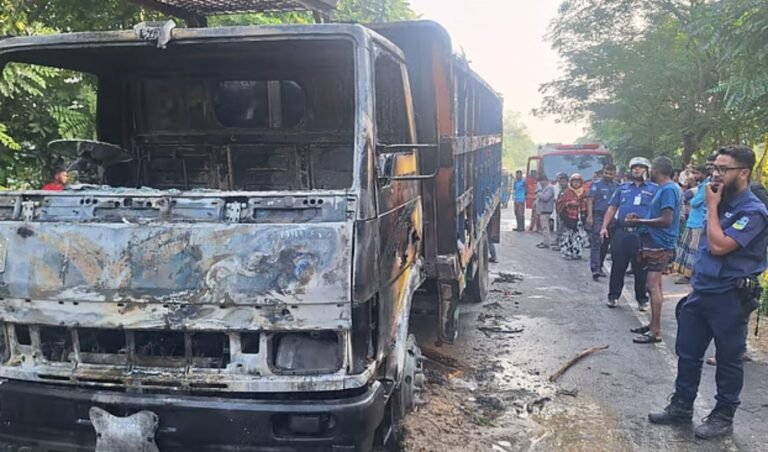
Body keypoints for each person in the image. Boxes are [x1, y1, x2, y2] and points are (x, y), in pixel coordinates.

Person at [648, 145, 768, 440]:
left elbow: (719, 246)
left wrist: (712, 207)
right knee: (687, 353)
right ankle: (681, 405)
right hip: (702, 292)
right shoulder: (720, 200)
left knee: (728, 359)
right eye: (715, 168)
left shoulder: (753, 211)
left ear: (743, 173)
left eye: (723, 169)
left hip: (730, 296)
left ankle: (723, 415)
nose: (716, 174)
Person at [625, 156, 682, 344]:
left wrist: (639, 221)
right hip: (655, 241)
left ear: (656, 170)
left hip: (660, 243)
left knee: (652, 286)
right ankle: (652, 325)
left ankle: (656, 330)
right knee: (655, 286)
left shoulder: (668, 190)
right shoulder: (666, 189)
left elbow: (666, 220)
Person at [600, 157, 656, 309]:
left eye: (640, 167)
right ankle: (613, 296)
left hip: (642, 234)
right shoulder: (623, 188)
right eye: (634, 167)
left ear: (647, 170)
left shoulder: (654, 189)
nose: (637, 170)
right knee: (618, 266)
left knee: (641, 268)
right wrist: (604, 226)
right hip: (622, 232)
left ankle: (642, 299)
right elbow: (612, 208)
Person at [672, 164, 707, 284]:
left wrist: (691, 197)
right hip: (693, 221)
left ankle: (690, 275)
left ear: (702, 173)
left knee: (693, 250)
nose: (692, 176)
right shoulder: (701, 186)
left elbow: (696, 202)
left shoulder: (706, 185)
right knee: (688, 248)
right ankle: (686, 274)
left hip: (699, 222)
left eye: (695, 173)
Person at [587, 164, 618, 280]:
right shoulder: (597, 185)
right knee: (596, 241)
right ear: (603, 172)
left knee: (606, 243)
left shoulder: (617, 187)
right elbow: (590, 200)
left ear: (615, 174)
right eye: (606, 172)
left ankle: (599, 266)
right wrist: (590, 215)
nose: (608, 175)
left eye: (611, 173)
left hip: (612, 217)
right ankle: (595, 268)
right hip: (598, 215)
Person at [557, 174, 588, 260]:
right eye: (574, 182)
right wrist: (569, 203)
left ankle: (577, 253)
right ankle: (568, 252)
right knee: (568, 236)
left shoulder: (584, 192)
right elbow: (560, 204)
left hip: (580, 218)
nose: (576, 184)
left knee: (579, 236)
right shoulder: (567, 192)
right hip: (569, 218)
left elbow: (587, 204)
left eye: (578, 182)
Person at [535, 175, 555, 249]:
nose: (540, 183)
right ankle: (545, 241)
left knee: (545, 227)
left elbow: (545, 198)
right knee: (544, 227)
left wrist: (539, 192)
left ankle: (547, 242)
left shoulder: (549, 188)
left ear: (545, 180)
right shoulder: (545, 188)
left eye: (541, 181)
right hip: (543, 210)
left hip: (546, 210)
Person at [551, 172, 569, 250]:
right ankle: (558, 241)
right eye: (560, 182)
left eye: (563, 182)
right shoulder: (561, 190)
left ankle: (562, 244)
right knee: (559, 228)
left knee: (563, 229)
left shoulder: (568, 191)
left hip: (565, 213)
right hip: (559, 212)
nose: (561, 183)